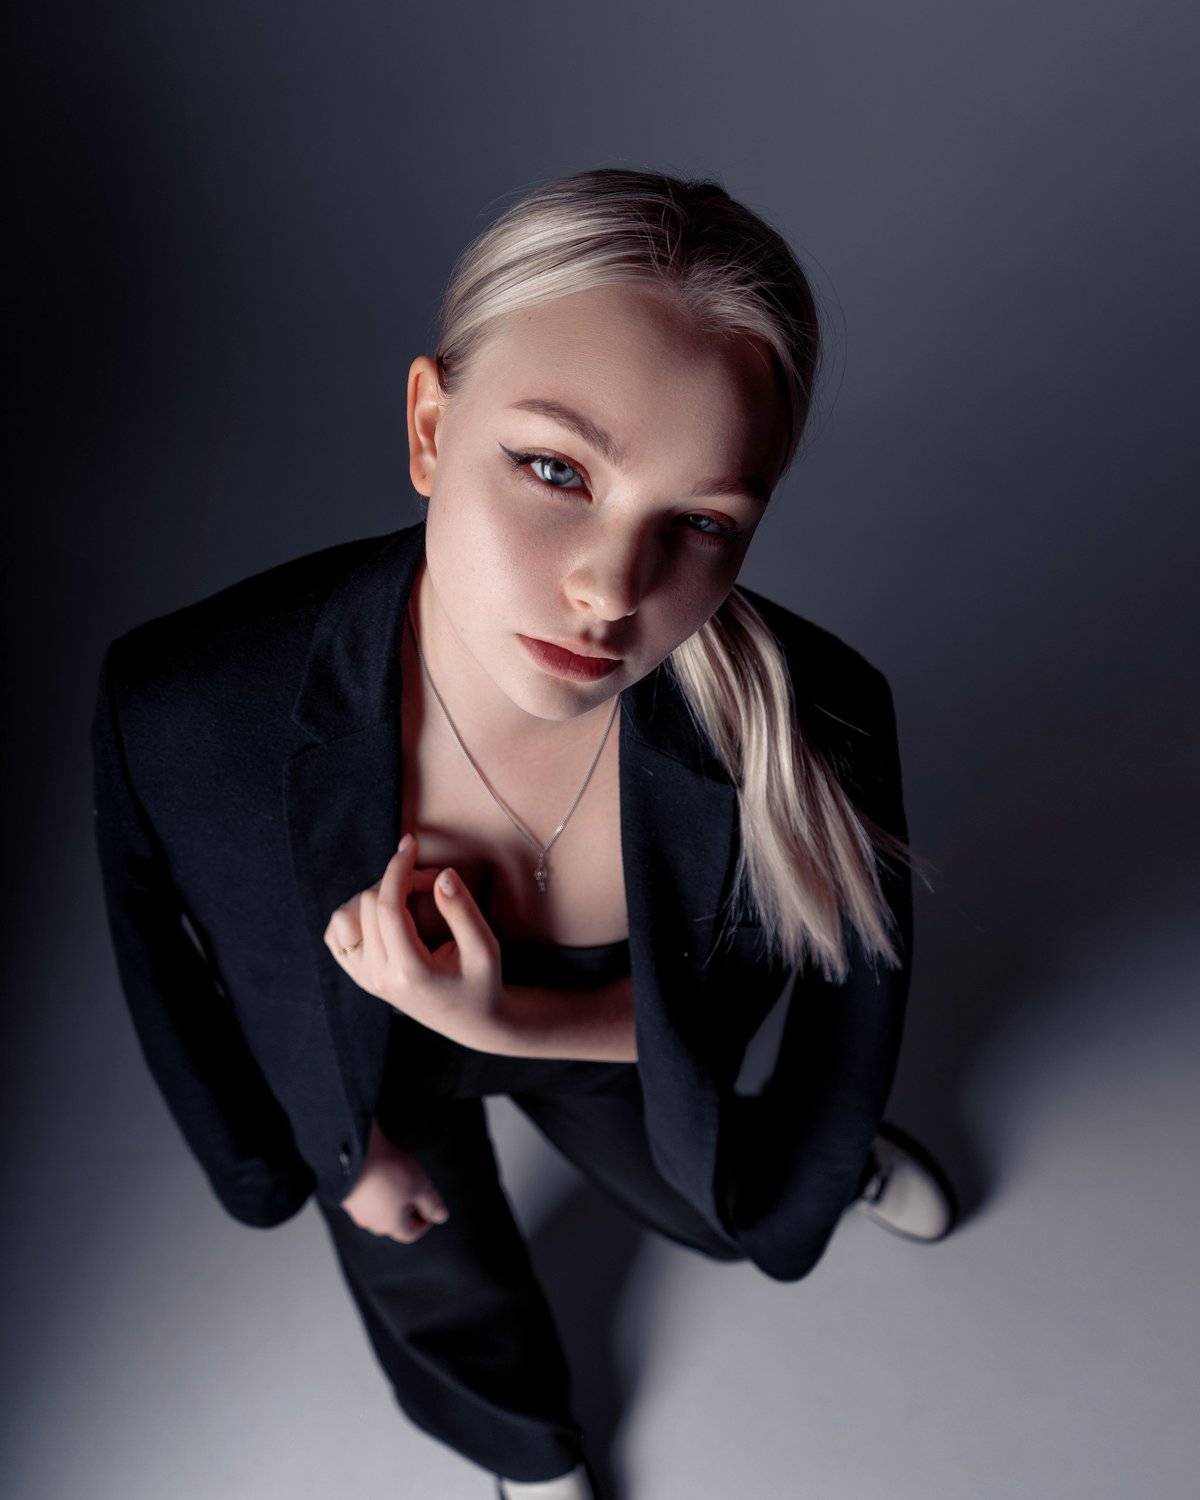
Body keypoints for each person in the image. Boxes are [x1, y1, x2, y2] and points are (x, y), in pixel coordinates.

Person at [90, 166, 958, 1500]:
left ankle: (822, 1179)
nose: (609, 590)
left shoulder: (815, 723)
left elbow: (828, 995)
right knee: (438, 1285)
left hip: (611, 1041)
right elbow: (169, 961)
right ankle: (529, 1461)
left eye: (700, 523)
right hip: (371, 1081)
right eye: (555, 468)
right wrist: (312, 1163)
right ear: (432, 427)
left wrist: (799, 1138)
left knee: (720, 1196)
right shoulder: (191, 708)